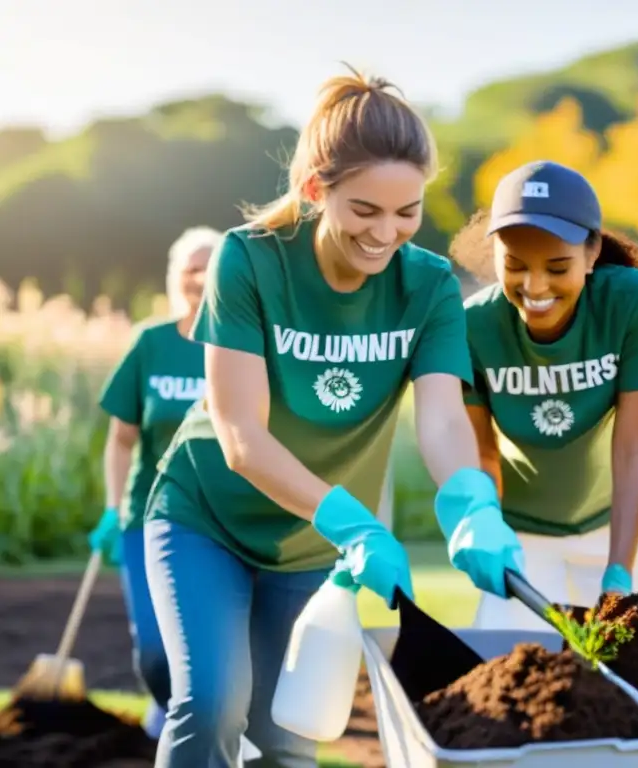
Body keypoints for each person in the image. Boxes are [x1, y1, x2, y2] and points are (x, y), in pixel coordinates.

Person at [141, 69, 524, 768]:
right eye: (364, 210)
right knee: (214, 704)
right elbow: (240, 436)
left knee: (289, 735)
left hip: (315, 546)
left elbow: (440, 419)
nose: (386, 234)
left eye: (406, 212)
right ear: (317, 190)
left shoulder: (429, 284)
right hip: (208, 518)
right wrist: (356, 524)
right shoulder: (250, 260)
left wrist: (471, 504)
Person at [449, 160, 638, 631]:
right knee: (513, 666)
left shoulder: (633, 302)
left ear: (592, 250)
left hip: (622, 519)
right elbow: (482, 452)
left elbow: (634, 445)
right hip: (522, 532)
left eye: (557, 267)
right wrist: (485, 522)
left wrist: (620, 569)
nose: (535, 286)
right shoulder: (472, 325)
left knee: (622, 671)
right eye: (515, 266)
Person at [89, 225, 220, 740]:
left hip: (221, 522)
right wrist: (111, 507)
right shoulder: (151, 344)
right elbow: (121, 439)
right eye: (191, 268)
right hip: (149, 515)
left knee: (211, 642)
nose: (201, 277)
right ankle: (171, 710)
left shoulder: (244, 344)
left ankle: (196, 730)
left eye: (211, 266)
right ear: (175, 278)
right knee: (154, 647)